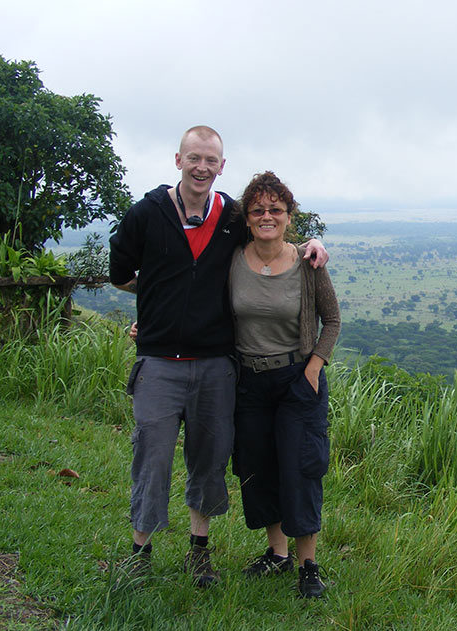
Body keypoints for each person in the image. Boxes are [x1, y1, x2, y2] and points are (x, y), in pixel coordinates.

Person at [108, 126, 328, 587]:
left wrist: (312, 244)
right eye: (194, 158)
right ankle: (139, 554)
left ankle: (199, 552)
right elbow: (121, 273)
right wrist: (155, 309)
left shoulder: (229, 214)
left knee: (209, 461)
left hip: (215, 364)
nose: (202, 167)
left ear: (221, 166)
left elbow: (271, 231)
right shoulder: (147, 213)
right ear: (178, 160)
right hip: (162, 361)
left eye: (211, 160)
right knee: (152, 457)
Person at [229, 171, 340, 598]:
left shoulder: (308, 263)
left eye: (276, 209)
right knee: (258, 467)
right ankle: (278, 554)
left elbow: (331, 320)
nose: (267, 216)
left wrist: (313, 367)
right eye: (258, 209)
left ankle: (308, 565)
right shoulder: (234, 259)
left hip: (298, 379)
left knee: (301, 467)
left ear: (289, 216)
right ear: (248, 217)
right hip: (249, 380)